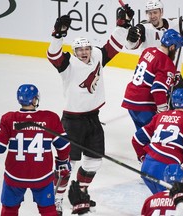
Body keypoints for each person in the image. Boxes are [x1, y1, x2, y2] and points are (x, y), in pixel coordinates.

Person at [46, 5, 134, 215]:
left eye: (86, 49)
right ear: (75, 52)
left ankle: (80, 193)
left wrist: (123, 24)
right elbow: (53, 55)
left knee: (94, 162)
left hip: (93, 119)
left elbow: (113, 46)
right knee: (67, 166)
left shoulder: (97, 56)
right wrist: (58, 35)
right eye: (80, 50)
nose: (84, 53)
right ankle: (56, 200)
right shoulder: (68, 63)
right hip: (72, 122)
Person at [0, 84, 71, 216]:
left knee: (9, 209)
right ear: (34, 100)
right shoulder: (50, 118)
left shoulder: (9, 119)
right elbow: (63, 146)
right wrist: (62, 162)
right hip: (42, 176)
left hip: (15, 176)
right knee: (48, 210)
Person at [126, 0, 183, 90]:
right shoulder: (143, 28)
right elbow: (130, 46)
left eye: (155, 12)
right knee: (157, 102)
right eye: (149, 13)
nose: (152, 16)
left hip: (173, 76)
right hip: (151, 76)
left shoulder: (176, 24)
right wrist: (131, 38)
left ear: (161, 12)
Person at [122, 29, 183, 131]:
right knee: (154, 138)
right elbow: (158, 89)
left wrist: (170, 79)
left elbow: (150, 74)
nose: (176, 51)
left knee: (142, 136)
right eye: (176, 49)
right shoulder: (166, 63)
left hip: (131, 99)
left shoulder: (148, 51)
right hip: (144, 105)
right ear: (172, 47)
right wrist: (162, 111)